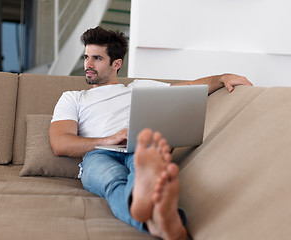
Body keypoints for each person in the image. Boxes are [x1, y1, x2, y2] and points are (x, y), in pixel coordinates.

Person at [49, 26, 253, 240]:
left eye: (97, 58)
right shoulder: (73, 98)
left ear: (116, 64)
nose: (88, 65)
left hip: (140, 148)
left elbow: (189, 88)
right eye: (86, 57)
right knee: (112, 179)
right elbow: (60, 143)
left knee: (142, 167)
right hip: (98, 154)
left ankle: (146, 206)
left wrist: (222, 77)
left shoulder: (139, 87)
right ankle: (160, 219)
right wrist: (110, 139)